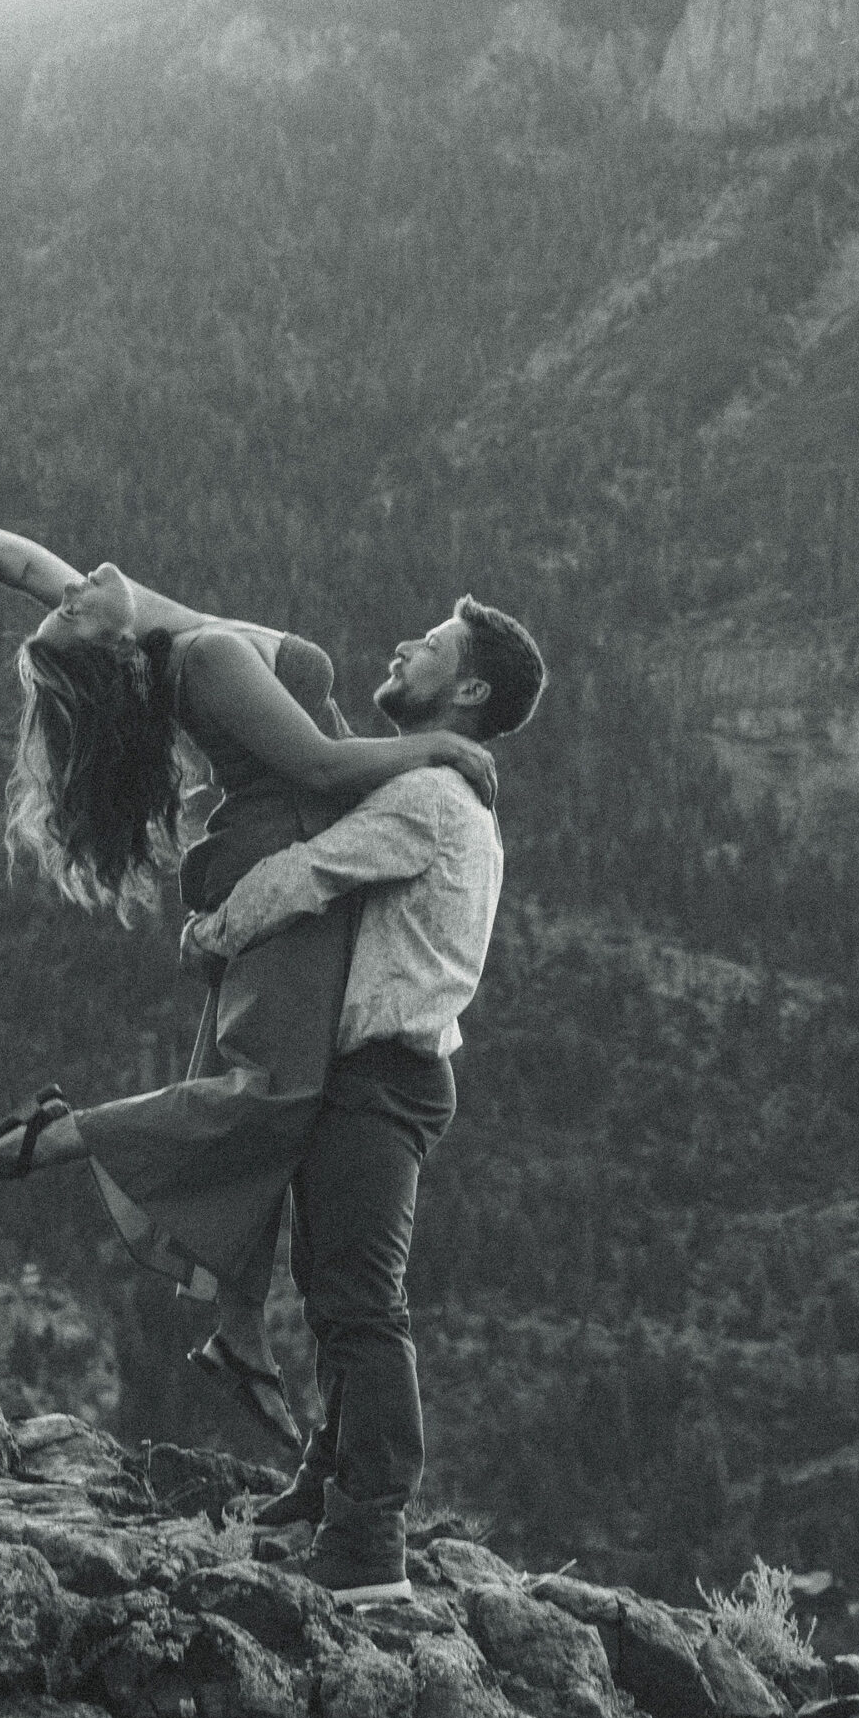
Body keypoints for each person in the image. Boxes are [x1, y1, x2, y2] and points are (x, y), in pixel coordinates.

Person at [0, 493, 498, 1450]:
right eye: (74, 609)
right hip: (287, 849)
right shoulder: (206, 657)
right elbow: (319, 767)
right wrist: (438, 746)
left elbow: (34, 570)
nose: (82, 584)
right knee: (271, 1094)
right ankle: (65, 1136)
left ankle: (238, 1333)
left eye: (70, 598)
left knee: (268, 1099)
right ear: (102, 644)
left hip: (270, 845)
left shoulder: (143, 625)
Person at [179, 597, 546, 1606]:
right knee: (334, 1285)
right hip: (385, 1075)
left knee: (361, 1304)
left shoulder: (427, 797)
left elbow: (307, 873)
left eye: (426, 645)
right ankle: (329, 1479)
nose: (399, 645)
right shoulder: (435, 790)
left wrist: (212, 932)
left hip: (381, 1077)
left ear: (465, 690)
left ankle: (369, 1542)